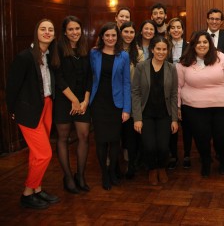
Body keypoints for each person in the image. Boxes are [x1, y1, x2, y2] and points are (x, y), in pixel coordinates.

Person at [6, 19, 61, 209]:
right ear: (36, 32)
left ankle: (37, 188)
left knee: (36, 155)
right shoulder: (25, 57)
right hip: (29, 110)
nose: (47, 32)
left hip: (46, 106)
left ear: (54, 35)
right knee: (44, 154)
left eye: (50, 30)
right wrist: (12, 110)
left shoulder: (49, 56)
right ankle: (27, 192)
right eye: (43, 29)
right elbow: (12, 86)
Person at [177, 31, 224, 177]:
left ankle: (223, 160)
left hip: (221, 107)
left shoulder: (221, 58)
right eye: (198, 42)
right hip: (194, 108)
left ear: (210, 44)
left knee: (222, 137)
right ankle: (206, 162)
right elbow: (178, 86)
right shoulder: (184, 62)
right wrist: (178, 106)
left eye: (205, 42)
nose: (202, 45)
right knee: (201, 138)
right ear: (193, 45)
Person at [132, 36, 179, 185]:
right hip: (146, 114)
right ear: (152, 49)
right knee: (149, 146)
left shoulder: (172, 68)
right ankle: (152, 169)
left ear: (168, 51)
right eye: (158, 49)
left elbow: (173, 94)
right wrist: (137, 118)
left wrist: (174, 119)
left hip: (165, 114)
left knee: (163, 146)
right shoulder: (141, 67)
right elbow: (136, 93)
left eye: (164, 49)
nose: (161, 52)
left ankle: (161, 168)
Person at [90, 22, 131, 191]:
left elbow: (127, 83)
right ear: (101, 37)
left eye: (113, 35)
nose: (110, 38)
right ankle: (104, 174)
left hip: (117, 103)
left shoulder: (123, 56)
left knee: (115, 141)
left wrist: (127, 108)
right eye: (107, 35)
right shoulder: (94, 53)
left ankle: (113, 171)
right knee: (101, 141)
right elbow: (89, 77)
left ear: (117, 37)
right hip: (98, 103)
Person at [54, 16, 92, 194]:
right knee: (63, 138)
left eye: (77, 28)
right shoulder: (59, 49)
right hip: (64, 100)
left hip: (82, 101)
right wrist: (74, 100)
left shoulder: (85, 49)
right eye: (71, 29)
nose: (74, 32)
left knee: (84, 136)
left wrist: (84, 100)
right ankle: (68, 177)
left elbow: (90, 78)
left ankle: (80, 175)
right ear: (64, 32)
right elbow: (58, 78)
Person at [119, 21, 145, 179]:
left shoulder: (139, 53)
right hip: (117, 97)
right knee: (119, 133)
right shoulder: (113, 50)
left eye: (131, 32)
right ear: (120, 33)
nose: (128, 35)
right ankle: (117, 163)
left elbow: (140, 77)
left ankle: (131, 164)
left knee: (131, 133)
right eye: (125, 32)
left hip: (134, 97)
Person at [166, 18, 191, 169]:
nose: (176, 30)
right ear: (169, 31)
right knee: (171, 123)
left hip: (186, 88)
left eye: (178, 27)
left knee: (187, 124)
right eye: (173, 28)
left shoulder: (189, 47)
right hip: (168, 89)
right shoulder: (164, 46)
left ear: (182, 30)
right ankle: (173, 155)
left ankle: (187, 154)